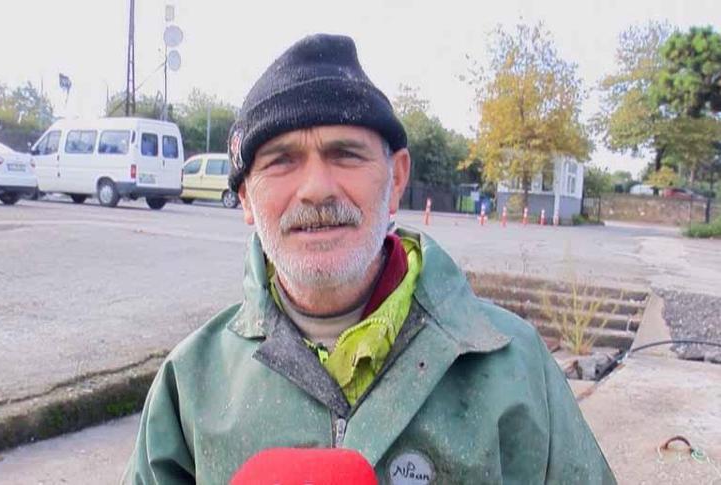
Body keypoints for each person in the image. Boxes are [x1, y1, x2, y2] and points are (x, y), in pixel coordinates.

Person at [123, 33, 615, 484]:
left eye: (346, 154)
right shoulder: (190, 383)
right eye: (281, 160)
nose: (316, 189)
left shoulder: (515, 365)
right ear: (247, 197)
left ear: (396, 178)